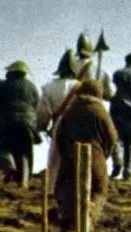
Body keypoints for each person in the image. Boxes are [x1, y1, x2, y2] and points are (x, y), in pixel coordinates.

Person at [53, 80, 118, 232]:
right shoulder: (101, 112)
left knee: (67, 189)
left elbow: (59, 136)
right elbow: (112, 137)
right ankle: (89, 218)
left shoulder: (69, 111)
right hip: (95, 157)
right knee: (98, 191)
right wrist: (104, 154)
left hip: (69, 157)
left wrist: (65, 153)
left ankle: (70, 220)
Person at [0, 60, 40, 187]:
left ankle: (9, 167)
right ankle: (23, 182)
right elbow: (36, 105)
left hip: (4, 123)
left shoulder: (0, 85)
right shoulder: (32, 86)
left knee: (4, 147)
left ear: (10, 72)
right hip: (27, 123)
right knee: (25, 152)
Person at [36, 49, 81, 192]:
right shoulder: (81, 87)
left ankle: (53, 191)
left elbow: (42, 112)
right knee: (76, 159)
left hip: (58, 126)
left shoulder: (48, 88)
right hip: (78, 126)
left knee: (55, 160)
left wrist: (42, 127)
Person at [110, 52, 131, 181]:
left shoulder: (117, 74)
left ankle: (117, 161)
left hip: (116, 107)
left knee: (116, 136)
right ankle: (128, 171)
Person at [73, 32, 113, 101]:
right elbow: (109, 94)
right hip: (94, 103)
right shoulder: (102, 71)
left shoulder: (71, 67)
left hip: (75, 103)